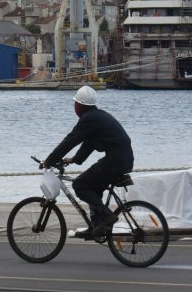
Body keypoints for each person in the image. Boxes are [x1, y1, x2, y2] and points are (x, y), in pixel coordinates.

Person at [43, 85, 134, 236]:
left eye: (75, 104)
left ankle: (107, 216)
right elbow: (89, 143)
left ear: (78, 105)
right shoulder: (98, 116)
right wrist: (73, 160)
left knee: (79, 184)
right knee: (93, 187)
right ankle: (96, 227)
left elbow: (70, 140)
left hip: (115, 161)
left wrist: (49, 160)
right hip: (123, 159)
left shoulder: (89, 119)